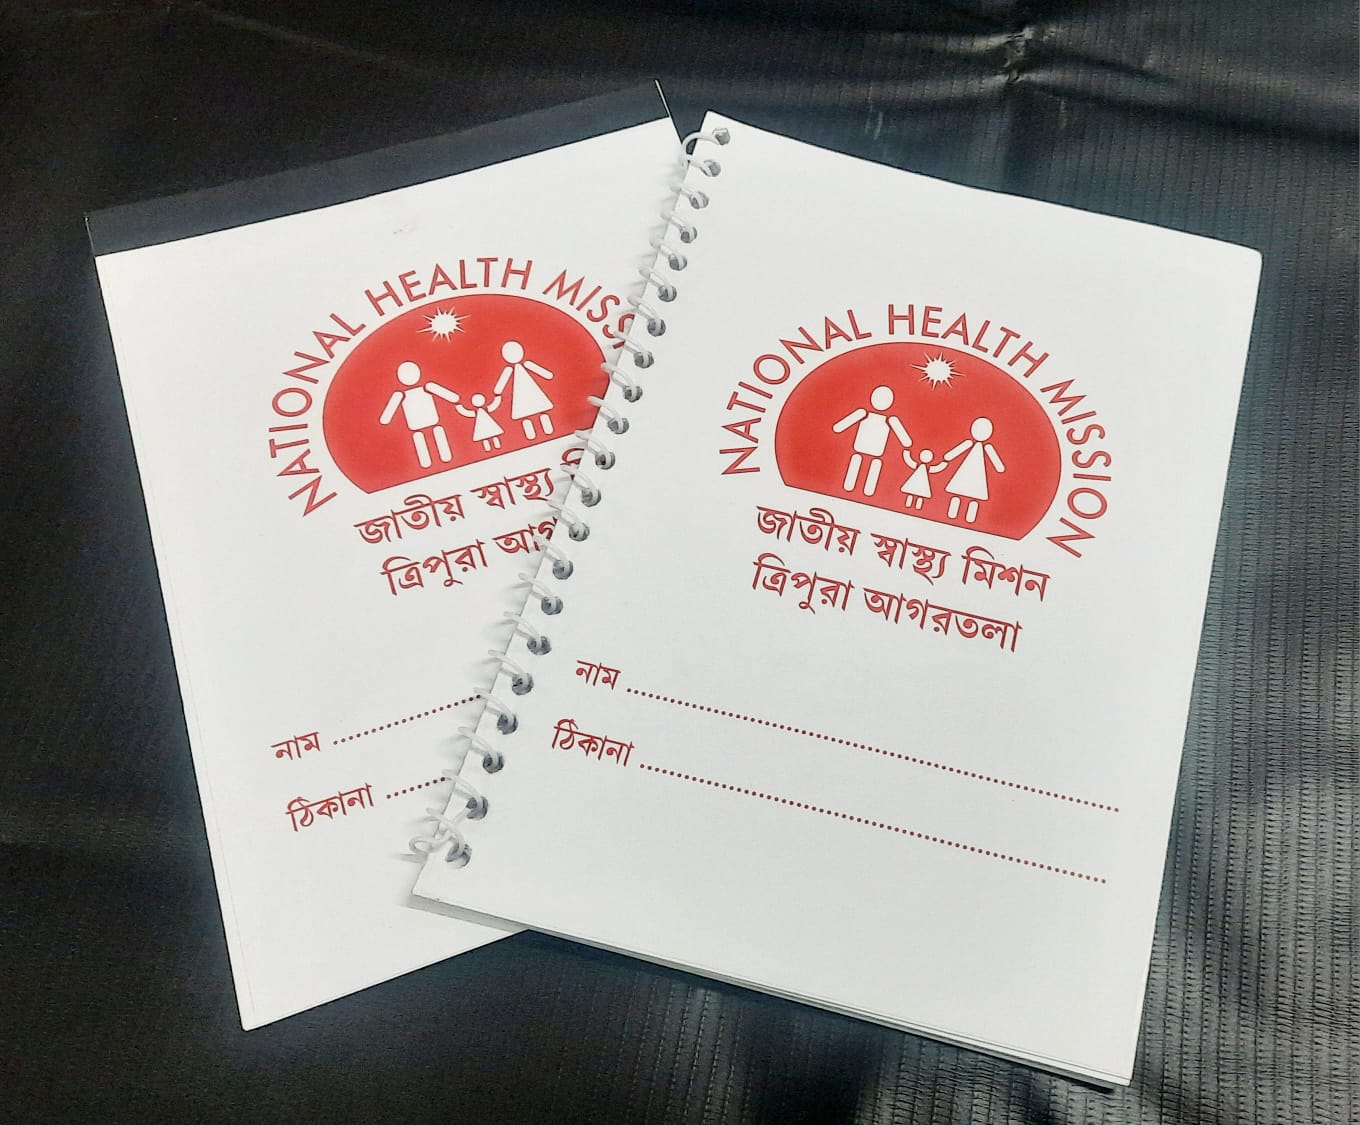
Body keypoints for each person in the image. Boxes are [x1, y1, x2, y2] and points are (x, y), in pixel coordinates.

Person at [831, 385, 912, 497]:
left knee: (874, 465)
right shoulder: (863, 413)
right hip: (861, 448)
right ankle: (849, 487)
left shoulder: (890, 420)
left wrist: (906, 443)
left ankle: (867, 491)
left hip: (876, 451)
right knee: (857, 461)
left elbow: (906, 440)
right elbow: (840, 426)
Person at [378, 361, 460, 468]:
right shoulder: (402, 394)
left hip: (429, 420)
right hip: (419, 424)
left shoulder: (427, 387)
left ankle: (445, 458)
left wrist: (454, 398)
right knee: (421, 437)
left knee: (436, 432)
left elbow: (452, 397)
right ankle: (428, 462)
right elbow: (386, 416)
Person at [942, 417, 1005, 523]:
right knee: (959, 495)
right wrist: (948, 457)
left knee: (972, 498)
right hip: (966, 471)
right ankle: (954, 513)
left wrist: (948, 457)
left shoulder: (984, 446)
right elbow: (952, 454)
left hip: (977, 474)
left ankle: (968, 516)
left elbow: (998, 464)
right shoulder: (970, 443)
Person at [493, 340, 556, 440]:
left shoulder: (524, 365)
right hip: (523, 394)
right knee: (530, 413)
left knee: (536, 411)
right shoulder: (516, 367)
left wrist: (498, 391)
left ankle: (543, 427)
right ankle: (532, 431)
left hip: (528, 391)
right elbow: (500, 385)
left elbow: (499, 388)